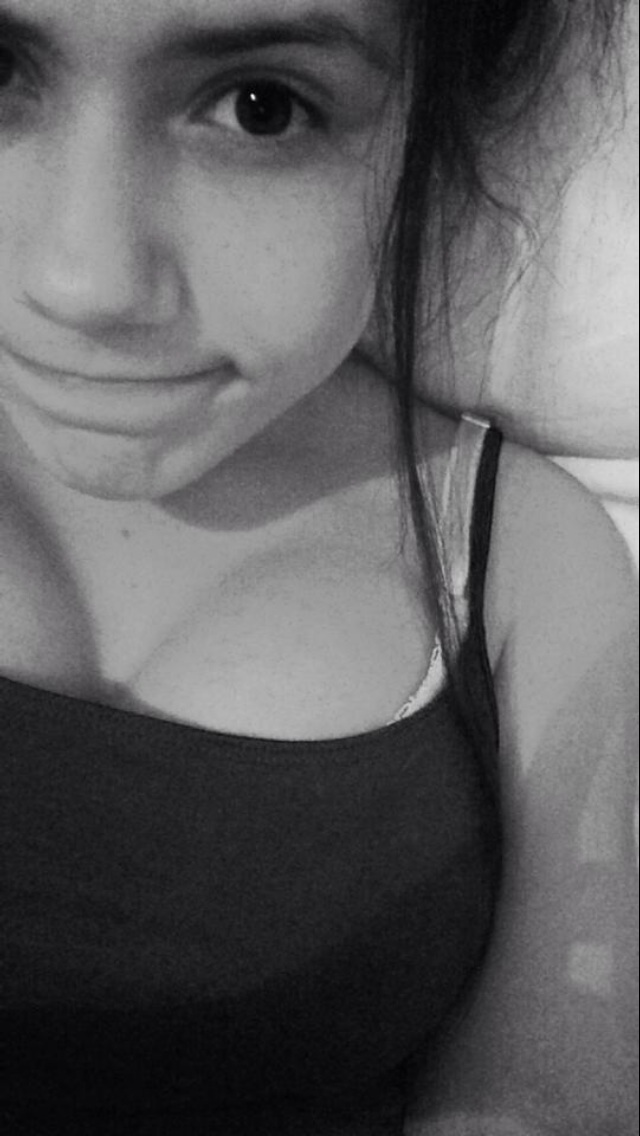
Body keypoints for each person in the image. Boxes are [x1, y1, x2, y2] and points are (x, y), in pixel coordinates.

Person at [0, 1, 637, 1134]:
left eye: (263, 108)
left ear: (427, 127)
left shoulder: (527, 565)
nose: (83, 281)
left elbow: (541, 1100)